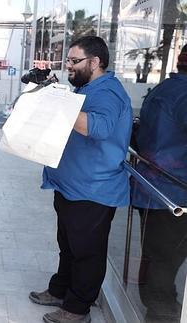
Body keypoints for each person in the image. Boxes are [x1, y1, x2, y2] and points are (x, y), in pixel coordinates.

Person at [29, 36, 132, 323]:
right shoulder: (87, 88)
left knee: (87, 252)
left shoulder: (108, 92)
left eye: (75, 61)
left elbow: (95, 127)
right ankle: (61, 289)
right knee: (69, 246)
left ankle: (77, 309)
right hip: (71, 186)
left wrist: (58, 99)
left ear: (96, 62)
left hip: (93, 190)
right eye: (68, 62)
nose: (69, 67)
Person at [130, 45, 187, 322]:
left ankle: (161, 305)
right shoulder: (184, 94)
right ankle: (162, 312)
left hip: (154, 189)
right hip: (173, 193)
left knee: (156, 256)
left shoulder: (166, 88)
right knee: (165, 259)